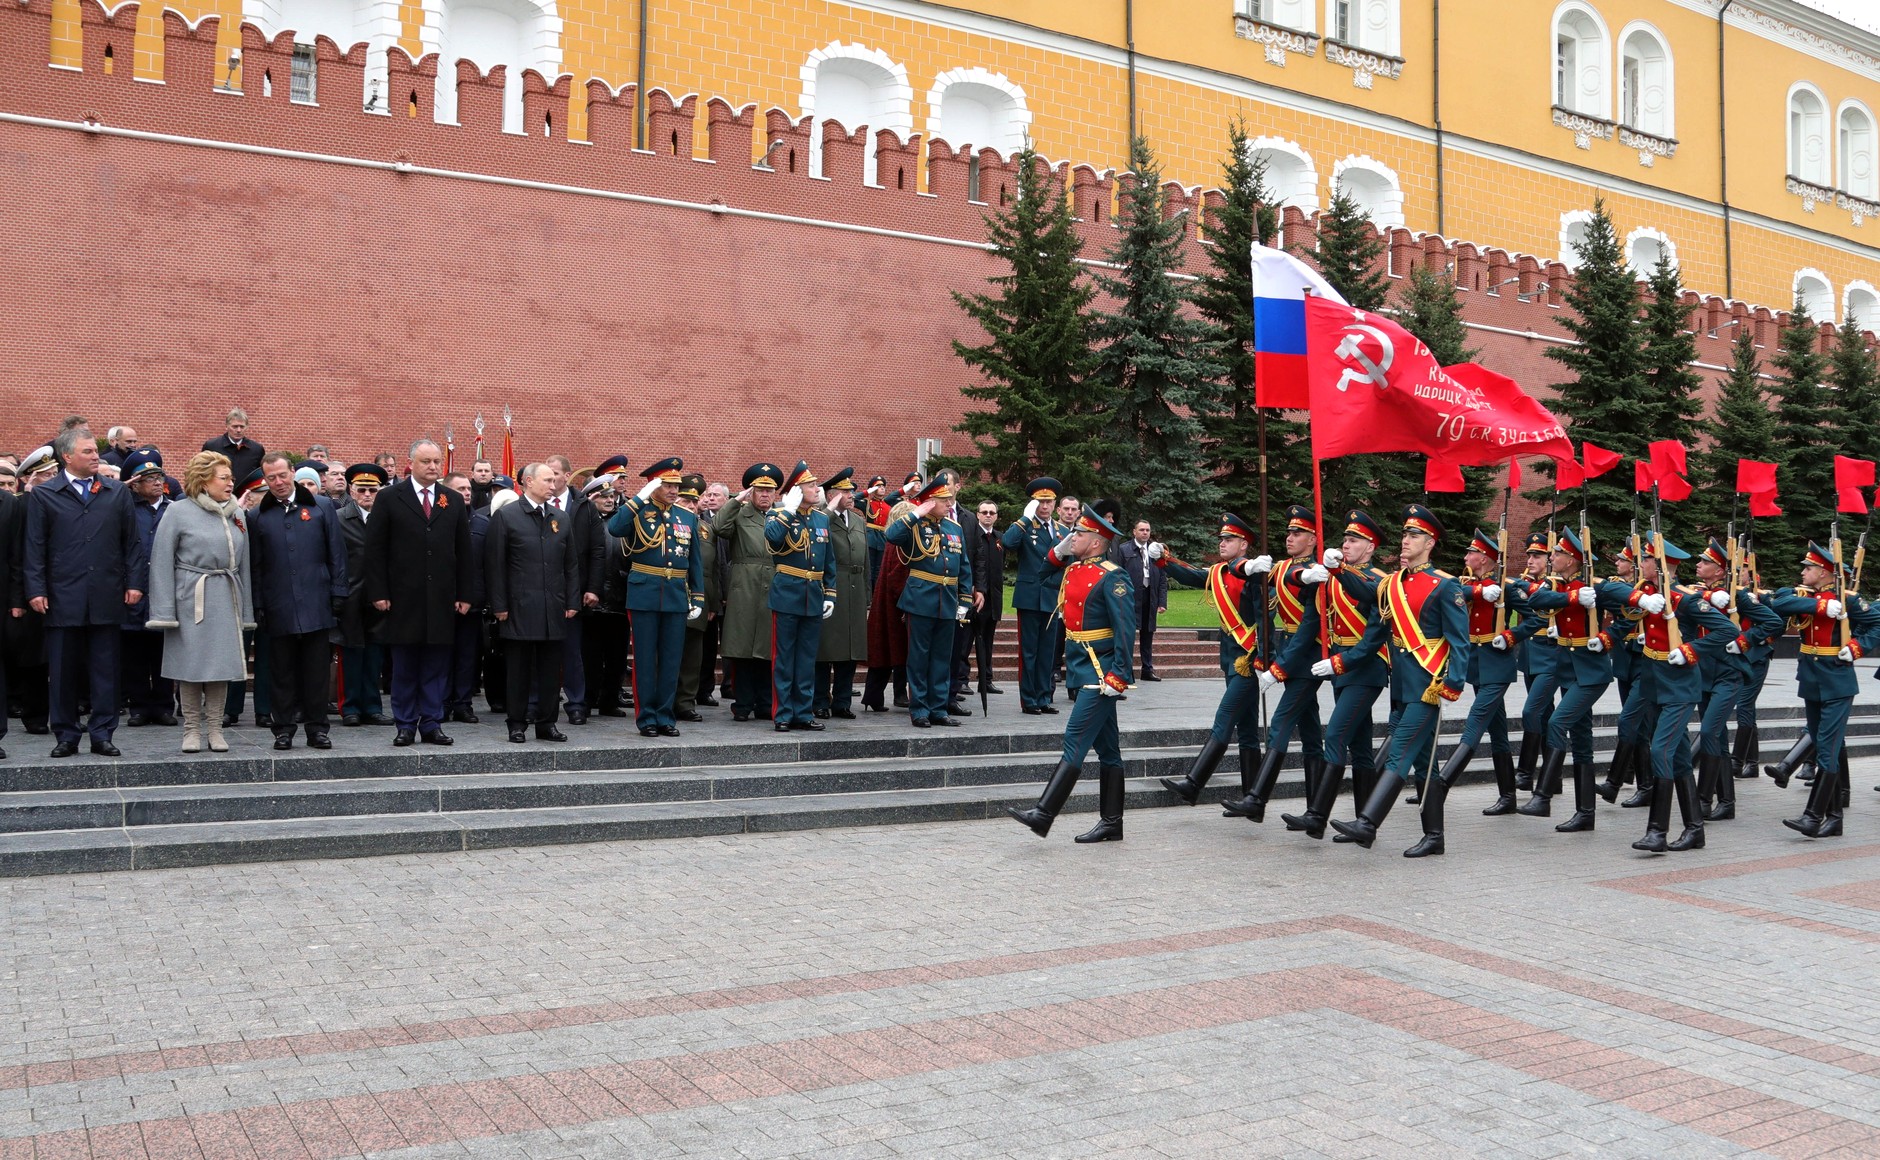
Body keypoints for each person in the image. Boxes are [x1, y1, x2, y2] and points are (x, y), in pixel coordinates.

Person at [1325, 505, 1469, 850]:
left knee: (1399, 751)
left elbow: (1460, 643)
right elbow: (1367, 603)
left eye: (1414, 535)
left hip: (1428, 687)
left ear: (1430, 543)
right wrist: (1339, 570)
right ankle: (1434, 837)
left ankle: (1367, 822)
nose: (1405, 541)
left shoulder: (1445, 586)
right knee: (1424, 764)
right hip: (1402, 686)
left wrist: (1453, 683)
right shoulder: (1390, 584)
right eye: (1405, 534)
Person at [1005, 506, 1136, 842]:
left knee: (1075, 740)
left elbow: (1125, 629)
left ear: (1095, 542)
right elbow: (1042, 577)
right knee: (1109, 750)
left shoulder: (1113, 576)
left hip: (1101, 671)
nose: (1070, 537)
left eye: (1077, 535)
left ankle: (1043, 814)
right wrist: (1058, 552)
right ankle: (1112, 823)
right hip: (1080, 665)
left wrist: (1119, 675)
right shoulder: (1074, 568)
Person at [21, 427, 148, 758]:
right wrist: (35, 589)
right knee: (62, 671)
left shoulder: (115, 492)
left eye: (96, 451)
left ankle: (102, 732)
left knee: (106, 670)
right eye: (89, 452)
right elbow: (35, 547)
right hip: (63, 597)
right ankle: (66, 733)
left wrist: (134, 583)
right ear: (67, 457)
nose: (97, 456)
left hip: (107, 594)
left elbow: (131, 544)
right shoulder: (46, 495)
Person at [1405, 528, 1530, 855]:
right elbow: (1457, 592)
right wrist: (1479, 592)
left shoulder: (1505, 587)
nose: (1465, 558)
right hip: (1475, 663)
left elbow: (1534, 618)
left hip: (1498, 664)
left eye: (1471, 554)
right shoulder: (1468, 584)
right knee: (1498, 732)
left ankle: (1441, 784)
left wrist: (1512, 635)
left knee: (1474, 723)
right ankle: (1508, 797)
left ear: (1486, 558)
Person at [1619, 536, 1738, 853]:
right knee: (1681, 757)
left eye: (1644, 560)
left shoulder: (1683, 599)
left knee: (1661, 751)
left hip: (1680, 688)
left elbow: (1728, 631)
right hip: (1654, 685)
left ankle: (1657, 831)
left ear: (1658, 566)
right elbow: (1608, 591)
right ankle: (1695, 830)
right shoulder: (1646, 595)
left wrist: (1689, 650)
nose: (1638, 565)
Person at [1273, 510, 1388, 838]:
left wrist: (1341, 662)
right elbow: (1316, 616)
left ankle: (1317, 817)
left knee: (1336, 736)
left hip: (1365, 668)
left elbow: (1372, 625)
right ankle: (1366, 824)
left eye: (1354, 540)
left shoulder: (1377, 578)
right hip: (1342, 667)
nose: (1346, 544)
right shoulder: (1337, 574)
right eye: (1346, 539)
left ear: (1369, 547)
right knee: (1361, 745)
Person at [1506, 530, 1630, 828]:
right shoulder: (1556, 586)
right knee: (1583, 739)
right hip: (1565, 668)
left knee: (1557, 722)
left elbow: (1631, 612)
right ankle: (1586, 814)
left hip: (1591, 673)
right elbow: (1538, 599)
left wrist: (1607, 637)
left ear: (1573, 559)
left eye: (1557, 555)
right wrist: (1573, 596)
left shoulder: (1597, 588)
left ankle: (1543, 796)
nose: (1551, 558)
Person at [1765, 541, 1880, 837]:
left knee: (1827, 749)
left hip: (1838, 681)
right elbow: (1779, 602)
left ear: (1826, 573)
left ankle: (1814, 817)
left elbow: (1877, 623)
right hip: (1811, 680)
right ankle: (1834, 819)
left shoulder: (1849, 601)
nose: (1803, 572)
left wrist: (1856, 647)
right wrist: (1821, 605)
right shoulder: (1805, 596)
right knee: (1820, 739)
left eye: (1809, 568)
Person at [365, 439, 472, 747]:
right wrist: (379, 591)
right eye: (426, 461)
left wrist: (465, 593)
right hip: (402, 598)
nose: (433, 467)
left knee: (436, 666)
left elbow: (463, 551)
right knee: (405, 666)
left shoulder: (451, 499)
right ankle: (405, 724)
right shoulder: (389, 498)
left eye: (437, 461)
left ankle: (432, 722)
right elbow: (375, 549)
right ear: (410, 464)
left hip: (440, 598)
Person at [145, 451, 254, 754]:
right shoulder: (178, 511)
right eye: (224, 478)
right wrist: (165, 611)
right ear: (204, 481)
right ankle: (192, 729)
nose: (231, 483)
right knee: (191, 666)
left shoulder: (237, 513)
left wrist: (246, 610)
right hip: (190, 597)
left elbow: (244, 564)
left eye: (231, 478)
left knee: (220, 666)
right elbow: (162, 560)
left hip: (226, 596)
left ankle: (216, 729)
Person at [1223, 506, 1327, 821]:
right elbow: (1253, 586)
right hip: (1289, 649)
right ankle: (1315, 812)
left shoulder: (1317, 573)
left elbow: (1310, 627)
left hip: (1307, 657)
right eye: (1288, 532)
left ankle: (1257, 797)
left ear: (1312, 539)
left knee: (1281, 723)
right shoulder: (1283, 568)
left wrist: (1279, 667)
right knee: (1310, 732)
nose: (1289, 537)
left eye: (1298, 533)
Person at [1156, 512, 1267, 805]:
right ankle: (1252, 801)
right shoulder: (1219, 573)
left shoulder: (1253, 574)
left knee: (1224, 720)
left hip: (1246, 661)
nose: (1222, 543)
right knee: (1247, 731)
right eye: (1221, 539)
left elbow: (1265, 618)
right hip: (1229, 658)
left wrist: (1264, 657)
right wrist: (1164, 561)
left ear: (1244, 545)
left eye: (1229, 539)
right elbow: (1191, 574)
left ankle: (1194, 783)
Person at [248, 451, 346, 750]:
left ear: (293, 472)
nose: (278, 482)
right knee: (282, 672)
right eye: (271, 478)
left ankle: (317, 729)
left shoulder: (321, 506)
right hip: (279, 605)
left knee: (316, 671)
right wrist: (258, 604)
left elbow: (336, 553)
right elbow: (256, 566)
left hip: (317, 600)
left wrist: (338, 593)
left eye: (282, 475)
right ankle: (283, 728)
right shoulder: (258, 515)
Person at [609, 457, 704, 737]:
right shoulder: (638, 511)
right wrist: (638, 499)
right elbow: (615, 528)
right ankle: (647, 717)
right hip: (645, 594)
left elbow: (694, 562)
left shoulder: (687, 517)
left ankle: (665, 715)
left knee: (672, 660)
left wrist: (697, 597)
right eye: (668, 485)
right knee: (646, 660)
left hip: (676, 595)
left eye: (677, 485)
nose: (675, 490)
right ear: (653, 485)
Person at [1690, 537, 1782, 821]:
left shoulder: (1739, 596)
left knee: (1708, 732)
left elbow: (1774, 622)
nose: (1698, 565)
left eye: (1705, 562)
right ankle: (1725, 802)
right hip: (1703, 671)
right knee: (1715, 737)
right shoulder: (1697, 594)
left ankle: (1704, 800)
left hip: (1728, 673)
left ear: (1720, 571)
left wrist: (1743, 641)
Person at [487, 462, 579, 743]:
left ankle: (546, 723)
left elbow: (571, 564)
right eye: (547, 480)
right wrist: (499, 605)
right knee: (518, 670)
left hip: (553, 606)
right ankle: (516, 723)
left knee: (551, 670)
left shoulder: (560, 518)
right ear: (528, 482)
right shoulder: (507, 516)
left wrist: (572, 600)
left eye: (554, 480)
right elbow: (495, 565)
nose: (553, 485)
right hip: (519, 606)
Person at [884, 476, 974, 728]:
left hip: (947, 601)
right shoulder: (913, 525)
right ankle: (920, 709)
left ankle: (938, 708)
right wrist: (915, 514)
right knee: (919, 658)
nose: (949, 503)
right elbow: (891, 536)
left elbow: (963, 567)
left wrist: (964, 599)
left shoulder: (954, 528)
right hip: (920, 599)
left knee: (941, 659)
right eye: (943, 500)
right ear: (929, 502)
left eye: (949, 499)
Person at [764, 461, 835, 732]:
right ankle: (783, 713)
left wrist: (830, 593)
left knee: (806, 659)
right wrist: (789, 509)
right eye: (811, 485)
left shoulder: (820, 518)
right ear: (796, 490)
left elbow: (829, 559)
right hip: (787, 594)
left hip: (813, 595)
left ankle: (803, 712)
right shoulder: (778, 513)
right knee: (784, 659)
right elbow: (772, 539)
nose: (817, 489)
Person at [717, 463, 783, 721]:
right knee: (742, 649)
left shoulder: (781, 515)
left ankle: (766, 703)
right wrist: (737, 501)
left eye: (770, 490)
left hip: (773, 584)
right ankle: (742, 704)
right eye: (759, 490)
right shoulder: (741, 514)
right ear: (751, 492)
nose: (765, 495)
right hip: (744, 584)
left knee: (768, 649)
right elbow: (719, 527)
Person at [545, 455, 605, 725]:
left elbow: (597, 550)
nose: (552, 478)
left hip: (575, 590)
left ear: (567, 475)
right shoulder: (536, 504)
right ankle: (540, 703)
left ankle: (576, 704)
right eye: (548, 474)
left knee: (573, 652)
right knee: (542, 651)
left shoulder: (583, 506)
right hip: (543, 590)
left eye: (556, 473)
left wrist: (593, 587)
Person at [1001, 477, 1067, 716]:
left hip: (1051, 598)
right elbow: (1007, 543)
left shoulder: (1062, 530)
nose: (1045, 506)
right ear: (1033, 503)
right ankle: (1029, 699)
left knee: (1047, 653)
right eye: (1040, 501)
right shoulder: (1025, 526)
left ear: (1055, 503)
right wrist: (1025, 518)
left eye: (1049, 501)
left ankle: (1043, 697)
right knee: (1029, 651)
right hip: (1030, 597)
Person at [120, 449, 175, 727]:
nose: (156, 482)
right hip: (134, 592)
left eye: (159, 476)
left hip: (165, 593)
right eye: (148, 478)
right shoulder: (125, 508)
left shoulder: (175, 509)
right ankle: (139, 706)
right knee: (135, 656)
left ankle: (165, 706)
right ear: (135, 483)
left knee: (164, 654)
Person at [334, 464, 391, 726]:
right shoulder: (339, 519)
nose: (367, 494)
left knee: (375, 654)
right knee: (352, 654)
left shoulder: (386, 518)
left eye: (373, 490)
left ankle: (372, 706)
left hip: (380, 596)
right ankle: (350, 707)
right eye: (362, 490)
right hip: (352, 597)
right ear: (351, 490)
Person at [815, 468, 870, 720]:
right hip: (832, 586)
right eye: (845, 491)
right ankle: (819, 701)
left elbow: (866, 559)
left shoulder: (858, 520)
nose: (851, 495)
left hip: (856, 589)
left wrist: (867, 595)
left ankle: (842, 701)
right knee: (826, 649)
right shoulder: (820, 517)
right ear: (831, 494)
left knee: (850, 649)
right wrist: (829, 509)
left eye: (851, 491)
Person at [583, 478, 631, 718]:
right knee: (590, 656)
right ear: (592, 498)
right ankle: (587, 699)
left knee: (617, 657)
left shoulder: (622, 523)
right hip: (592, 601)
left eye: (612, 496)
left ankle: (610, 701)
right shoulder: (585, 522)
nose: (610, 500)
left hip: (620, 599)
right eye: (604, 497)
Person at [444, 471, 490, 724]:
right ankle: (441, 702)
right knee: (441, 656)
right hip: (442, 602)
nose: (467, 492)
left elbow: (487, 565)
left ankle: (463, 704)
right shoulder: (437, 520)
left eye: (468, 488)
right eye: (460, 488)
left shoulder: (482, 523)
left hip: (472, 602)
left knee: (466, 657)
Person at [674, 474, 721, 721]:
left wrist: (712, 602)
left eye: (694, 501)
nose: (691, 506)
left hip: (699, 601)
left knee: (694, 655)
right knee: (669, 653)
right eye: (685, 501)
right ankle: (666, 699)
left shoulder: (706, 530)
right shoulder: (665, 524)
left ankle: (685, 702)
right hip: (671, 597)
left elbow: (712, 570)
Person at [1116, 520, 1167, 681]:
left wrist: (1162, 601)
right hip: (1130, 597)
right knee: (1128, 634)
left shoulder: (1156, 551)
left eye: (1147, 530)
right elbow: (1118, 575)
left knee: (1148, 633)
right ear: (1134, 532)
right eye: (1142, 530)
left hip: (1150, 595)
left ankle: (1147, 669)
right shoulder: (1124, 550)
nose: (1145, 533)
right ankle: (1127, 671)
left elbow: (1162, 578)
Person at [966, 498, 1007, 696]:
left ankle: (986, 680)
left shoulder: (1000, 538)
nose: (988, 515)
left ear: (997, 516)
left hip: (993, 597)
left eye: (992, 512)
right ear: (977, 515)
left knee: (988, 641)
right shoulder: (973, 536)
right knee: (966, 640)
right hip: (975, 595)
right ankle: (962, 680)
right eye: (984, 512)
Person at [200, 408, 264, 487]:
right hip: (217, 495)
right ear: (227, 426)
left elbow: (261, 476)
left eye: (242, 427)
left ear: (247, 427)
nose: (238, 430)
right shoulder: (212, 446)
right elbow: (201, 472)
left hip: (246, 495)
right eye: (235, 426)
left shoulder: (257, 450)